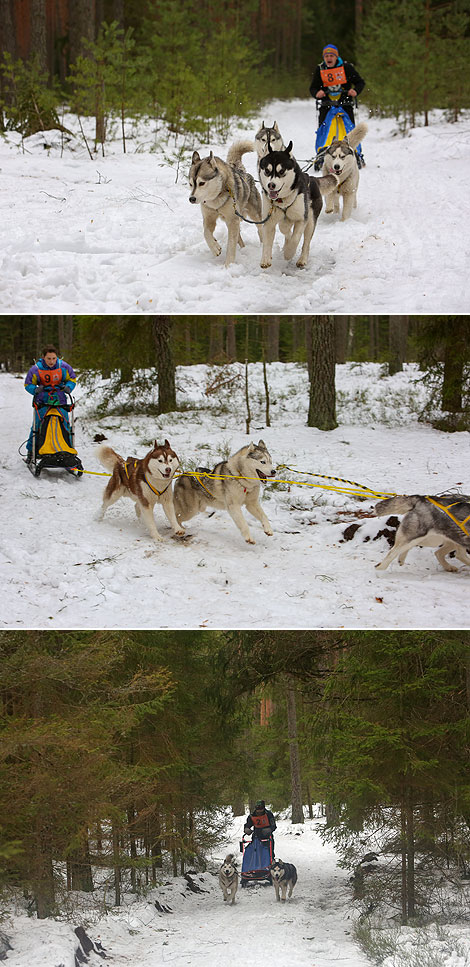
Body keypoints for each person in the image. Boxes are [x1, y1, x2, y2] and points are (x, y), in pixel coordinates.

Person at [24, 345, 77, 463]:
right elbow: (28, 384)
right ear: (43, 357)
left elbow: (72, 379)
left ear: (57, 357)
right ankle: (31, 451)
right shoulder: (36, 369)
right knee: (37, 426)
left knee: (65, 424)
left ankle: (67, 451)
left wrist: (68, 387)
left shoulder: (63, 367)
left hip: (60, 399)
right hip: (42, 400)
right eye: (49, 358)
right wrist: (35, 390)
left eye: (54, 358)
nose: (51, 361)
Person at [309, 43, 365, 128]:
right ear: (323, 58)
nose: (329, 58)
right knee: (323, 132)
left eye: (331, 56)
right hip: (326, 106)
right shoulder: (320, 69)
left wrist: (355, 91)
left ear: (336, 57)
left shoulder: (346, 67)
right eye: (326, 56)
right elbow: (313, 88)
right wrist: (317, 93)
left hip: (345, 105)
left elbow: (360, 82)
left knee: (350, 133)